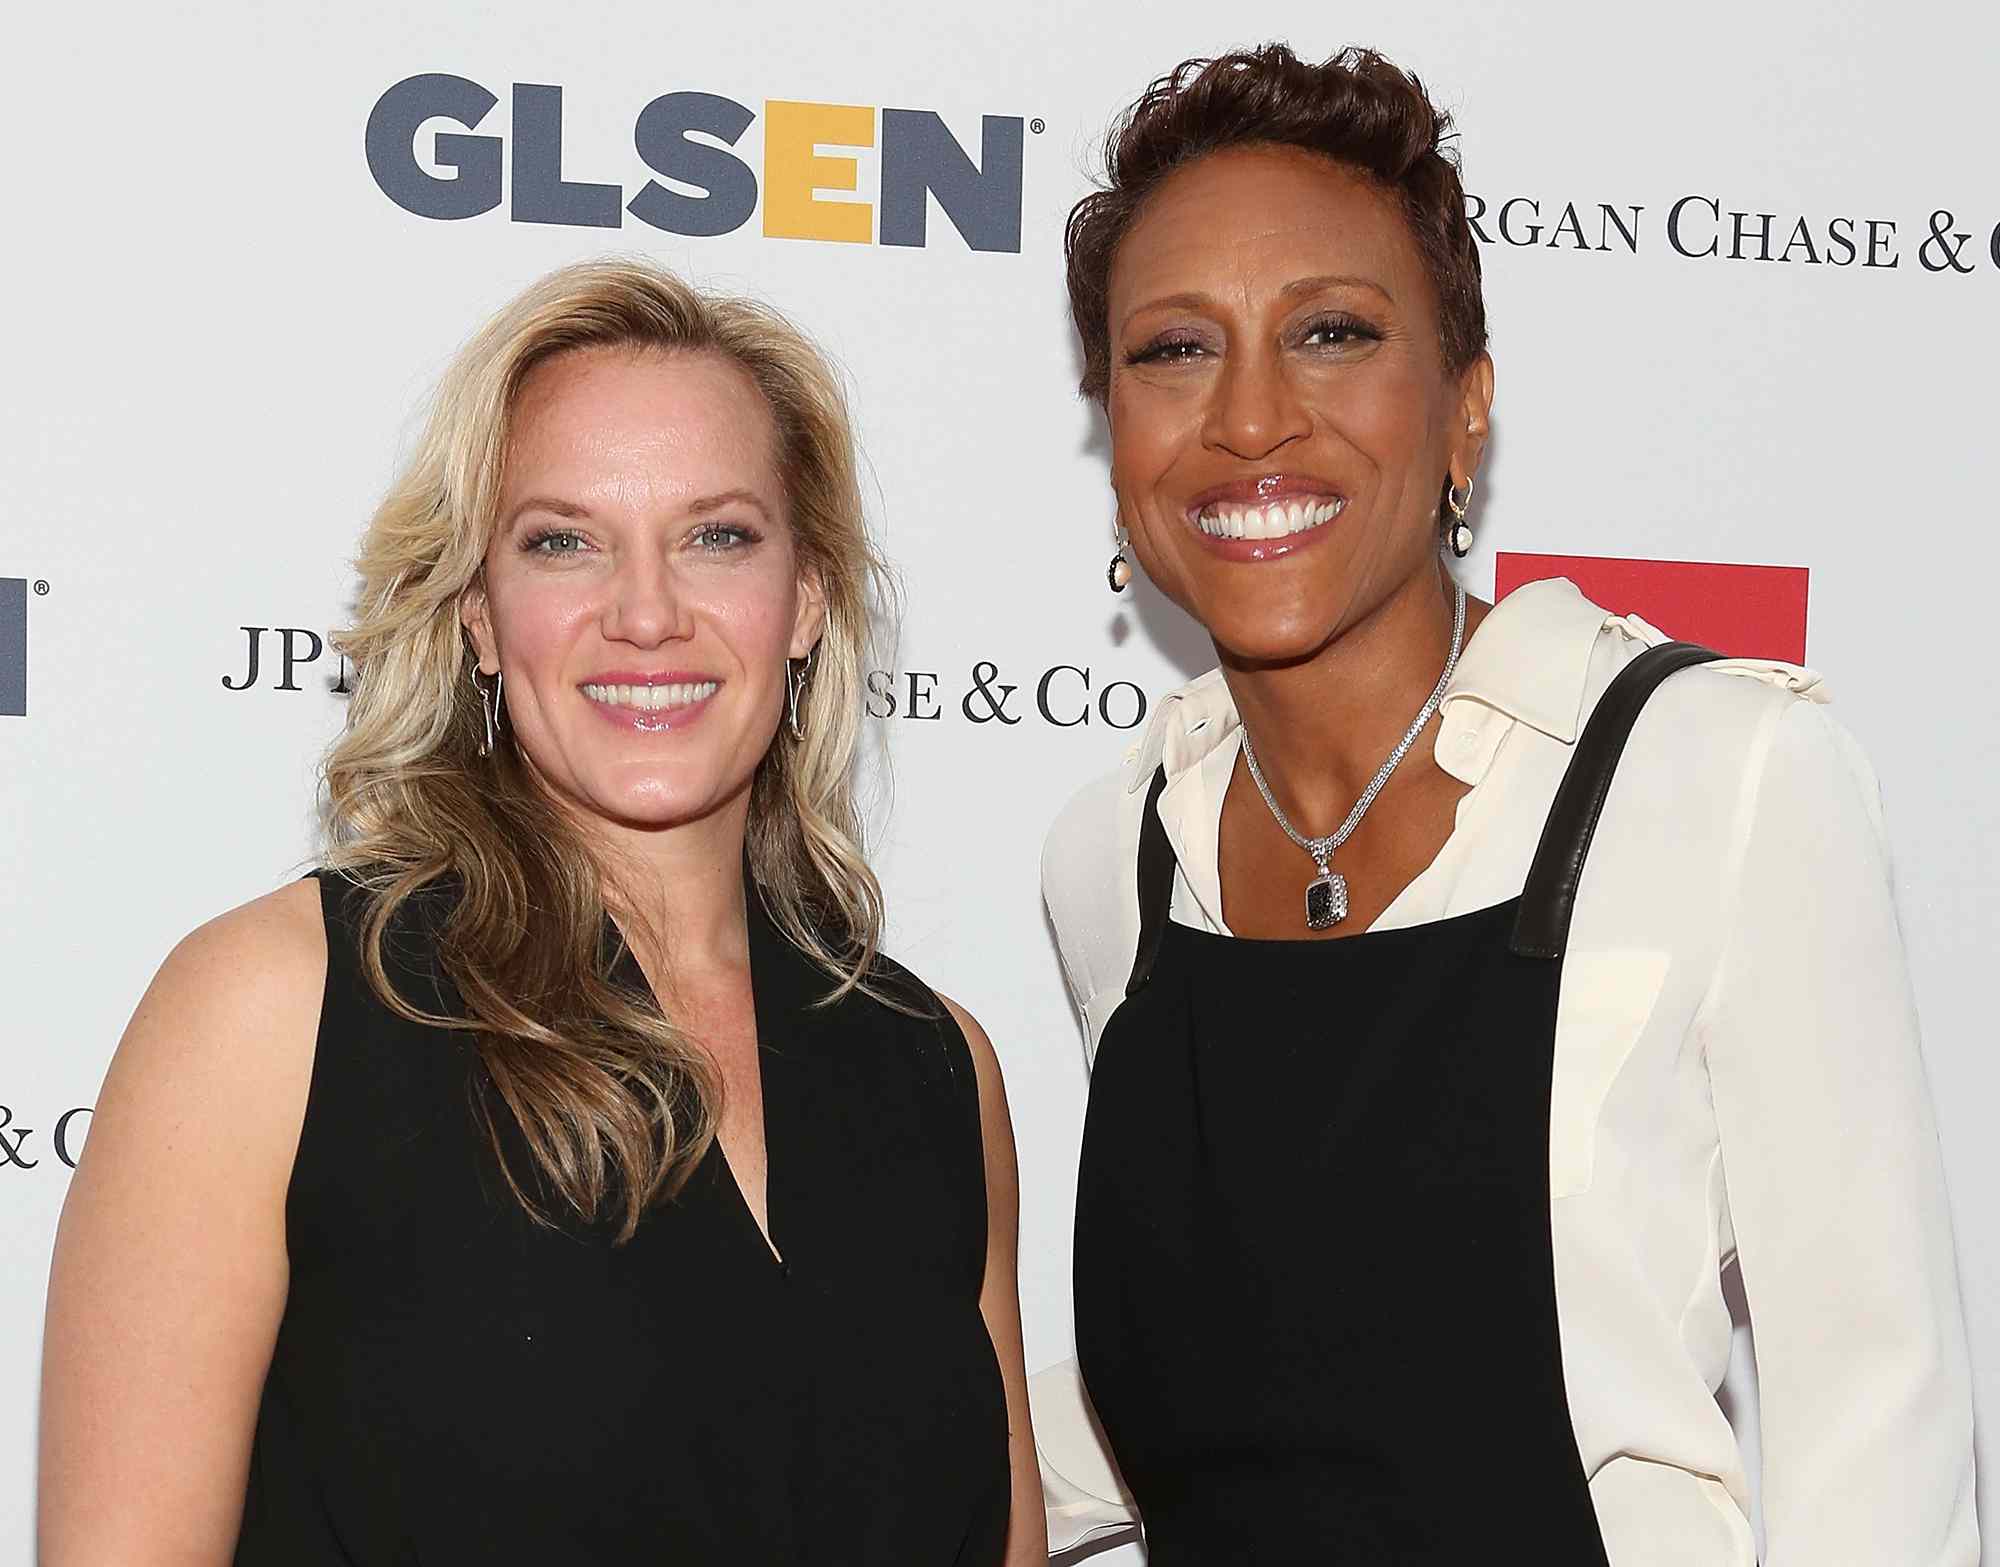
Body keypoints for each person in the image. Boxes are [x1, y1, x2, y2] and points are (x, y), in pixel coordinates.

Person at [1033, 44, 1977, 1565]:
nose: (1252, 418)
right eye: (1174, 351)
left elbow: (1879, 1445)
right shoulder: (1113, 858)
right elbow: (1251, 1368)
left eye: (1333, 332)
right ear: (1116, 432)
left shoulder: (1721, 778)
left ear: (1465, 409)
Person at [39, 258, 1045, 1566]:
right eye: (562, 540)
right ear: (479, 620)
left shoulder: (936, 1070)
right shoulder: (275, 1012)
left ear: (807, 599)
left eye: (717, 535)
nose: (645, 613)